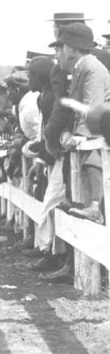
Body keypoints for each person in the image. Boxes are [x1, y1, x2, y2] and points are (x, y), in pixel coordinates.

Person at [55, 23, 110, 224]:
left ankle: (95, 207)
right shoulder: (82, 67)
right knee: (88, 162)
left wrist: (77, 136)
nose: (60, 50)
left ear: (71, 47)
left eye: (63, 46)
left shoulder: (91, 67)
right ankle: (89, 205)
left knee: (92, 161)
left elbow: (92, 108)